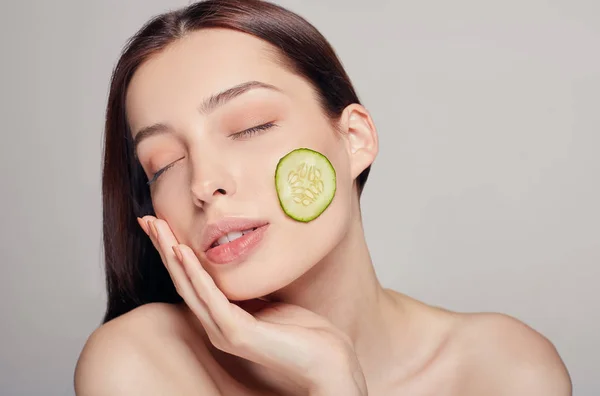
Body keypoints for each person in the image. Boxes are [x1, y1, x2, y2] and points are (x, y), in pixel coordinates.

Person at [74, 0, 572, 394]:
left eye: (251, 126)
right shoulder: (139, 364)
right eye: (163, 165)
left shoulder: (505, 370)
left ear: (354, 139)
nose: (203, 184)